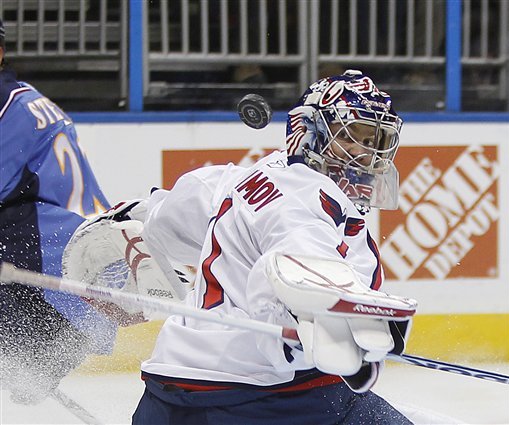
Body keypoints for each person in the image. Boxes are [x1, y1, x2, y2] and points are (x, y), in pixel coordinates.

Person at [81, 69, 412, 424]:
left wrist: (138, 216)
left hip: (168, 391)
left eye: (375, 140)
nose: (365, 154)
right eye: (350, 137)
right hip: (268, 402)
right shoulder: (309, 207)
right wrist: (333, 333)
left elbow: (167, 219)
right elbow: (289, 282)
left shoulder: (239, 178)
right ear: (309, 132)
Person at [0, 18, 117, 404]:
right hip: (77, 285)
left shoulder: (7, 107)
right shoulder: (24, 98)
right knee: (24, 389)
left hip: (54, 285)